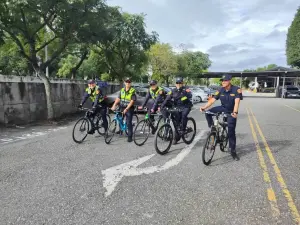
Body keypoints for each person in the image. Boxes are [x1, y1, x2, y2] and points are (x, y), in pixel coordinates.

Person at [200, 74, 243, 161]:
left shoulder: (236, 89)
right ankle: (212, 128)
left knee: (231, 131)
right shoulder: (220, 89)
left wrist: (235, 112)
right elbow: (212, 100)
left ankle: (233, 151)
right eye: (222, 81)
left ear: (229, 81)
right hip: (223, 107)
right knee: (208, 113)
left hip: (231, 111)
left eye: (225, 80)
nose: (223, 82)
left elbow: (237, 102)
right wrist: (205, 107)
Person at [160, 77, 193, 144]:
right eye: (177, 83)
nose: (178, 84)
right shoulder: (173, 90)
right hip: (177, 107)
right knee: (176, 122)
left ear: (182, 83)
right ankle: (177, 137)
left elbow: (190, 95)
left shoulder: (185, 89)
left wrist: (185, 97)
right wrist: (162, 106)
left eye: (180, 83)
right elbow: (167, 98)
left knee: (184, 116)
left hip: (186, 106)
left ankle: (183, 130)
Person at [111, 77, 137, 142]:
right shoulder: (122, 90)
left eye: (129, 82)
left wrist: (127, 109)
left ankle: (130, 136)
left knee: (128, 122)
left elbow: (132, 101)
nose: (127, 83)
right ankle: (120, 130)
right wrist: (114, 105)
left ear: (130, 83)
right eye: (126, 82)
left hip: (129, 108)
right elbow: (118, 99)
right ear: (124, 83)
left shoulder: (132, 90)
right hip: (121, 107)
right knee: (120, 118)